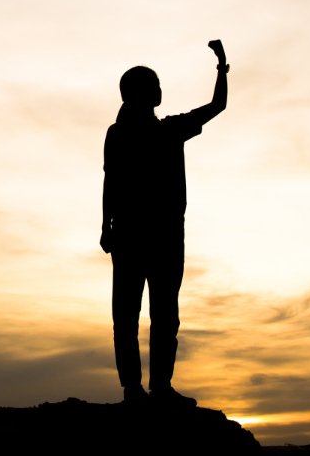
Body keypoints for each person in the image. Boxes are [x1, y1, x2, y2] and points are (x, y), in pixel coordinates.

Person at [101, 40, 229, 407]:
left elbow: (109, 180)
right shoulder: (150, 132)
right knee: (139, 316)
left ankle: (151, 388)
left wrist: (222, 67)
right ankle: (140, 389)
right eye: (154, 84)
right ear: (141, 92)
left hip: (151, 234)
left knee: (151, 315)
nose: (160, 89)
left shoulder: (159, 130)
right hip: (146, 234)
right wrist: (222, 68)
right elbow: (111, 178)